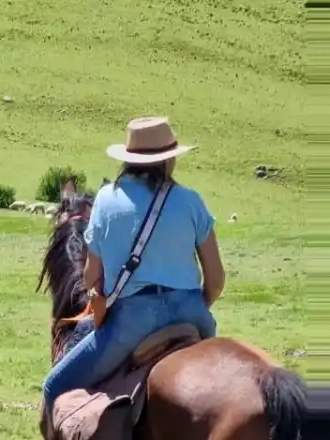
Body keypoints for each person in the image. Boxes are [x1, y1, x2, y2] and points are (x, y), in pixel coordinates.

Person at [42, 116, 226, 414]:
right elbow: (216, 280)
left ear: (129, 160)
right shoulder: (191, 201)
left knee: (54, 387)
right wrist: (191, 304)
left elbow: (90, 278)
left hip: (131, 323)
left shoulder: (106, 200)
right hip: (194, 316)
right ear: (168, 160)